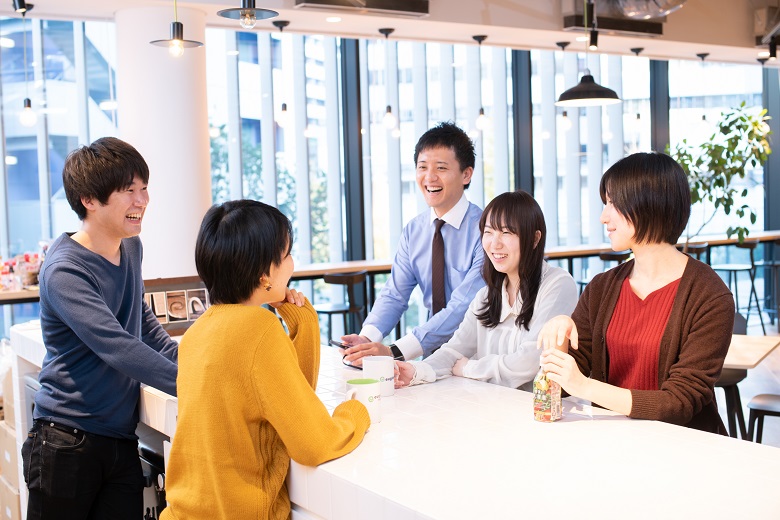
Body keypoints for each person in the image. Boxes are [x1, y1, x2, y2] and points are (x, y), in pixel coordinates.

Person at [160, 200, 370, 520]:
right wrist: (355, 411)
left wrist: (302, 322)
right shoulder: (259, 329)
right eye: (286, 255)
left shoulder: (196, 333)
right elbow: (314, 443)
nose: (292, 264)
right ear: (263, 277)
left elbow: (287, 404)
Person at [22, 137, 179, 519]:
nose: (142, 200)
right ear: (89, 199)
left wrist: (194, 363)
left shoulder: (131, 248)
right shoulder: (65, 269)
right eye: (129, 190)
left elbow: (143, 325)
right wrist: (195, 384)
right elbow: (118, 346)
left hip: (119, 439)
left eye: (144, 188)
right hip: (66, 440)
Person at [537, 152, 735, 434]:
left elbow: (680, 402)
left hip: (684, 445)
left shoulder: (709, 295)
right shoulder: (602, 287)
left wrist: (584, 385)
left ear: (648, 204)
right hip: (614, 439)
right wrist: (560, 339)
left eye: (613, 203)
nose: (603, 217)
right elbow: (563, 385)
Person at [394, 190, 577, 389]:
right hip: (489, 403)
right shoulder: (485, 296)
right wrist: (415, 371)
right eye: (488, 232)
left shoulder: (558, 284)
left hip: (539, 406)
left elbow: (530, 362)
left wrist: (469, 368)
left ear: (535, 239)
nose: (494, 244)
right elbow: (454, 350)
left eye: (506, 232)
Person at [342, 122, 485, 365]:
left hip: (477, 357)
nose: (429, 177)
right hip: (432, 357)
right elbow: (395, 294)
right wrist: (366, 338)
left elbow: (463, 307)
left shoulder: (486, 230)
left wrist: (395, 351)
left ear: (466, 174)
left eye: (441, 168)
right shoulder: (414, 231)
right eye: (422, 167)